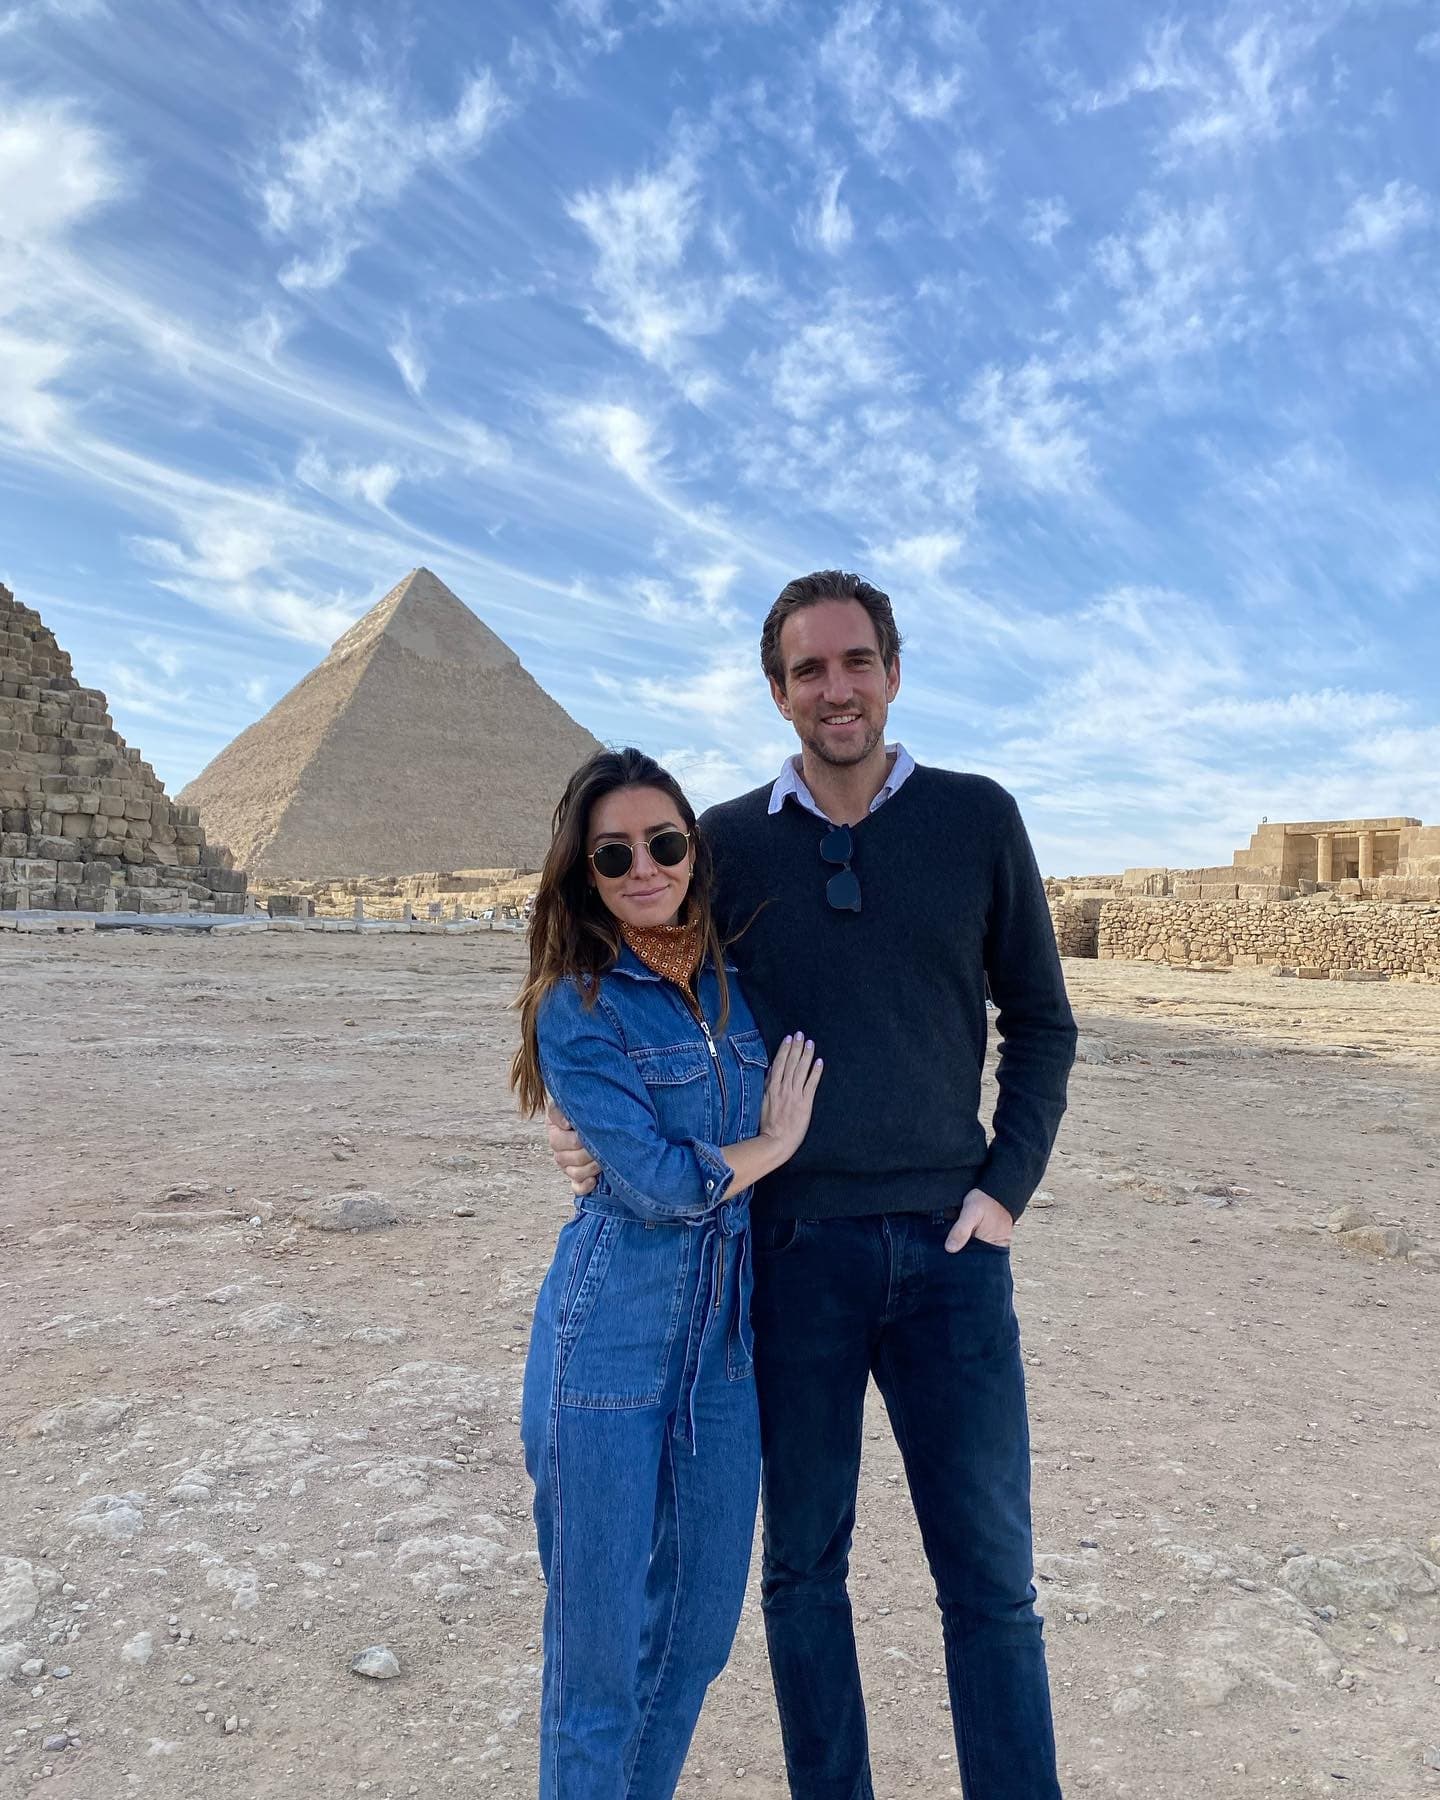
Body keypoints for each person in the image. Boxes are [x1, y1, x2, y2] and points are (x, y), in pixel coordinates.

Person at [549, 574, 1077, 1799]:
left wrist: (1007, 1187)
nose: (833, 689)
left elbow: (1042, 1021)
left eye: (854, 662)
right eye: (806, 671)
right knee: (803, 1574)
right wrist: (588, 1128)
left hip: (954, 1251)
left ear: (892, 669)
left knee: (991, 1581)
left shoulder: (980, 819)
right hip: (790, 1256)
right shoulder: (719, 842)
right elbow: (623, 980)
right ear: (777, 690)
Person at [512, 745, 823, 1800]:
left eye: (665, 842)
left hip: (724, 1354)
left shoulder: (740, 991)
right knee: (597, 1665)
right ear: (581, 873)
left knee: (693, 1643)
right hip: (608, 1339)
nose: (644, 868)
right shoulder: (580, 1006)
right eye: (613, 854)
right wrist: (768, 1150)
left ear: (693, 849)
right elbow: (651, 1184)